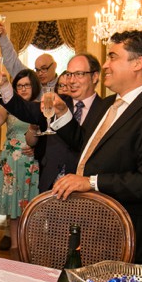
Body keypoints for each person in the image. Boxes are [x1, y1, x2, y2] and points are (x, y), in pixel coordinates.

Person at [49, 31, 142, 265]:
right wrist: (62, 114)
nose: (105, 65)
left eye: (113, 57)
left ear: (138, 63)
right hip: (87, 226)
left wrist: (91, 182)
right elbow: (85, 144)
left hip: (122, 235)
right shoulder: (108, 105)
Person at [20, 55, 104, 191]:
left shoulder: (106, 109)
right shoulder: (57, 103)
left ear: (94, 77)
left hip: (85, 190)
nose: (71, 80)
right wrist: (4, 89)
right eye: (70, 74)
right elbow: (26, 109)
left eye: (79, 74)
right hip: (50, 184)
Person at [0, 69, 41, 251]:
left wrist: (37, 149)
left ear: (34, 86)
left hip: (33, 162)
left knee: (34, 208)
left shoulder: (41, 106)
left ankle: (31, 249)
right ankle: (16, 249)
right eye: (19, 86)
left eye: (26, 85)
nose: (23, 89)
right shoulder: (9, 106)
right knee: (14, 211)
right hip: (11, 162)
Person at [0, 20, 59, 94]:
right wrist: (2, 36)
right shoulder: (31, 79)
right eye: (37, 70)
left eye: (44, 68)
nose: (40, 73)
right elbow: (11, 61)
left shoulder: (65, 85)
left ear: (54, 66)